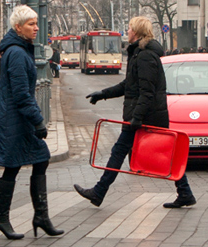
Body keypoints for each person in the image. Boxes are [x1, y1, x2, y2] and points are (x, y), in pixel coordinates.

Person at [74, 15, 196, 209]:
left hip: (145, 115)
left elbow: (147, 92)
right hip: (146, 114)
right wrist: (103, 94)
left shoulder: (145, 55)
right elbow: (128, 86)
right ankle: (185, 192)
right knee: (165, 152)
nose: (127, 31)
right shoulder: (139, 53)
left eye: (130, 28)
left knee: (120, 151)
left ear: (137, 32)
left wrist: (137, 118)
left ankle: (99, 192)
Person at [0, 5, 63, 240]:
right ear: (18, 27)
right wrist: (39, 121)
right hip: (14, 121)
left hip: (18, 120)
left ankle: (40, 216)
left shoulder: (20, 49)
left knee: (39, 158)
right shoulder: (18, 53)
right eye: (31, 24)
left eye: (36, 23)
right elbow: (21, 94)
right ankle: (2, 218)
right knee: (13, 166)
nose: (36, 28)